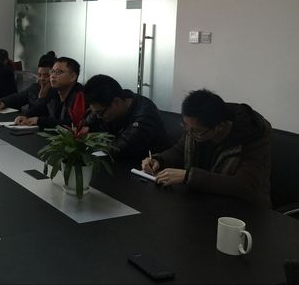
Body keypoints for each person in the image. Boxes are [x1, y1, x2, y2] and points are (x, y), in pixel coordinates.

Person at [141, 89, 272, 208]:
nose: (189, 133)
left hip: (243, 210)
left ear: (219, 127)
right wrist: (159, 160)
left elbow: (245, 186)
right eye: (185, 125)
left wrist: (188, 176)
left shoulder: (253, 136)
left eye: (196, 131)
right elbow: (180, 150)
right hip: (202, 201)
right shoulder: (195, 127)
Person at [83, 74, 171, 160]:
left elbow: (119, 149)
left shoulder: (145, 115)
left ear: (116, 102)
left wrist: (91, 141)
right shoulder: (108, 104)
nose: (98, 116)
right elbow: (87, 124)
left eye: (99, 113)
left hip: (145, 166)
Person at [14, 57, 83, 129]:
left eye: (58, 72)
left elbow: (73, 123)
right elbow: (40, 108)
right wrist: (26, 116)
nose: (52, 76)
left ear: (73, 77)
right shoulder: (53, 92)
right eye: (52, 72)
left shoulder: (81, 96)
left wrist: (40, 121)